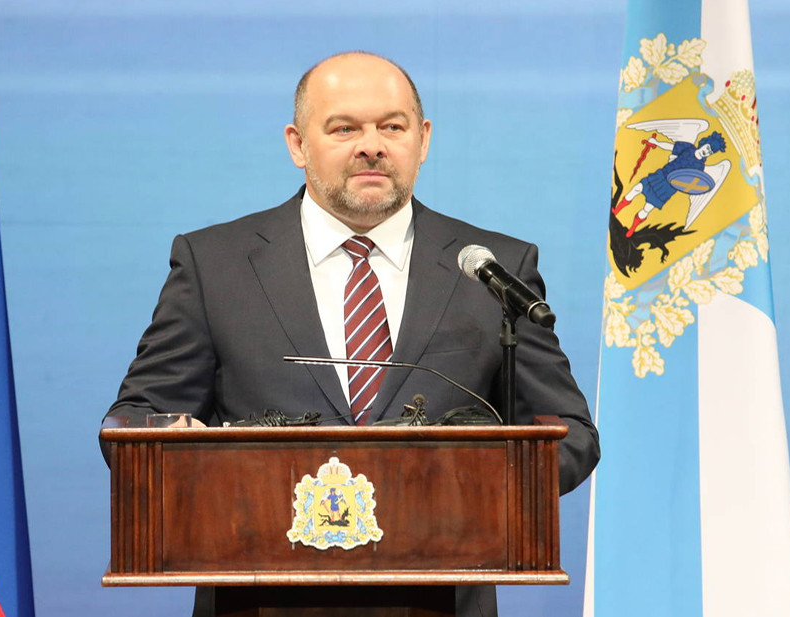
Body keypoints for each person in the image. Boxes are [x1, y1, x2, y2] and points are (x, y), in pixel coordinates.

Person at [103, 51, 600, 616]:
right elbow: (137, 418)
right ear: (297, 145)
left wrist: (468, 485)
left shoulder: (491, 269)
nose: (372, 146)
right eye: (344, 128)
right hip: (260, 602)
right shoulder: (214, 264)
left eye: (392, 127)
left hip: (439, 602)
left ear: (423, 139)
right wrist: (182, 449)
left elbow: (571, 436)